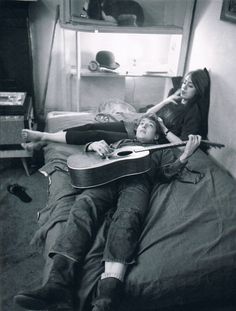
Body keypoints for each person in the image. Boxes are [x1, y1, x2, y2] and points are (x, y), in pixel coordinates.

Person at [14, 114, 201, 311]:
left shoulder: (160, 150)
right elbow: (90, 156)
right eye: (141, 124)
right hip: (106, 178)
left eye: (150, 125)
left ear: (156, 136)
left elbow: (165, 173)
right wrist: (92, 146)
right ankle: (58, 285)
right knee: (82, 206)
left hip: (137, 183)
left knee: (128, 218)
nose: (143, 126)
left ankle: (107, 298)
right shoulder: (122, 141)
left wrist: (184, 157)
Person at [21, 68, 210, 151]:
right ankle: (43, 141)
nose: (184, 87)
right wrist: (167, 99)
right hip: (136, 124)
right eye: (184, 83)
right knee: (89, 125)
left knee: (95, 134)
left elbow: (183, 144)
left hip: (147, 136)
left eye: (190, 86)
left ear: (199, 90)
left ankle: (43, 137)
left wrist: (163, 127)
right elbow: (147, 114)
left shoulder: (193, 114)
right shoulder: (175, 99)